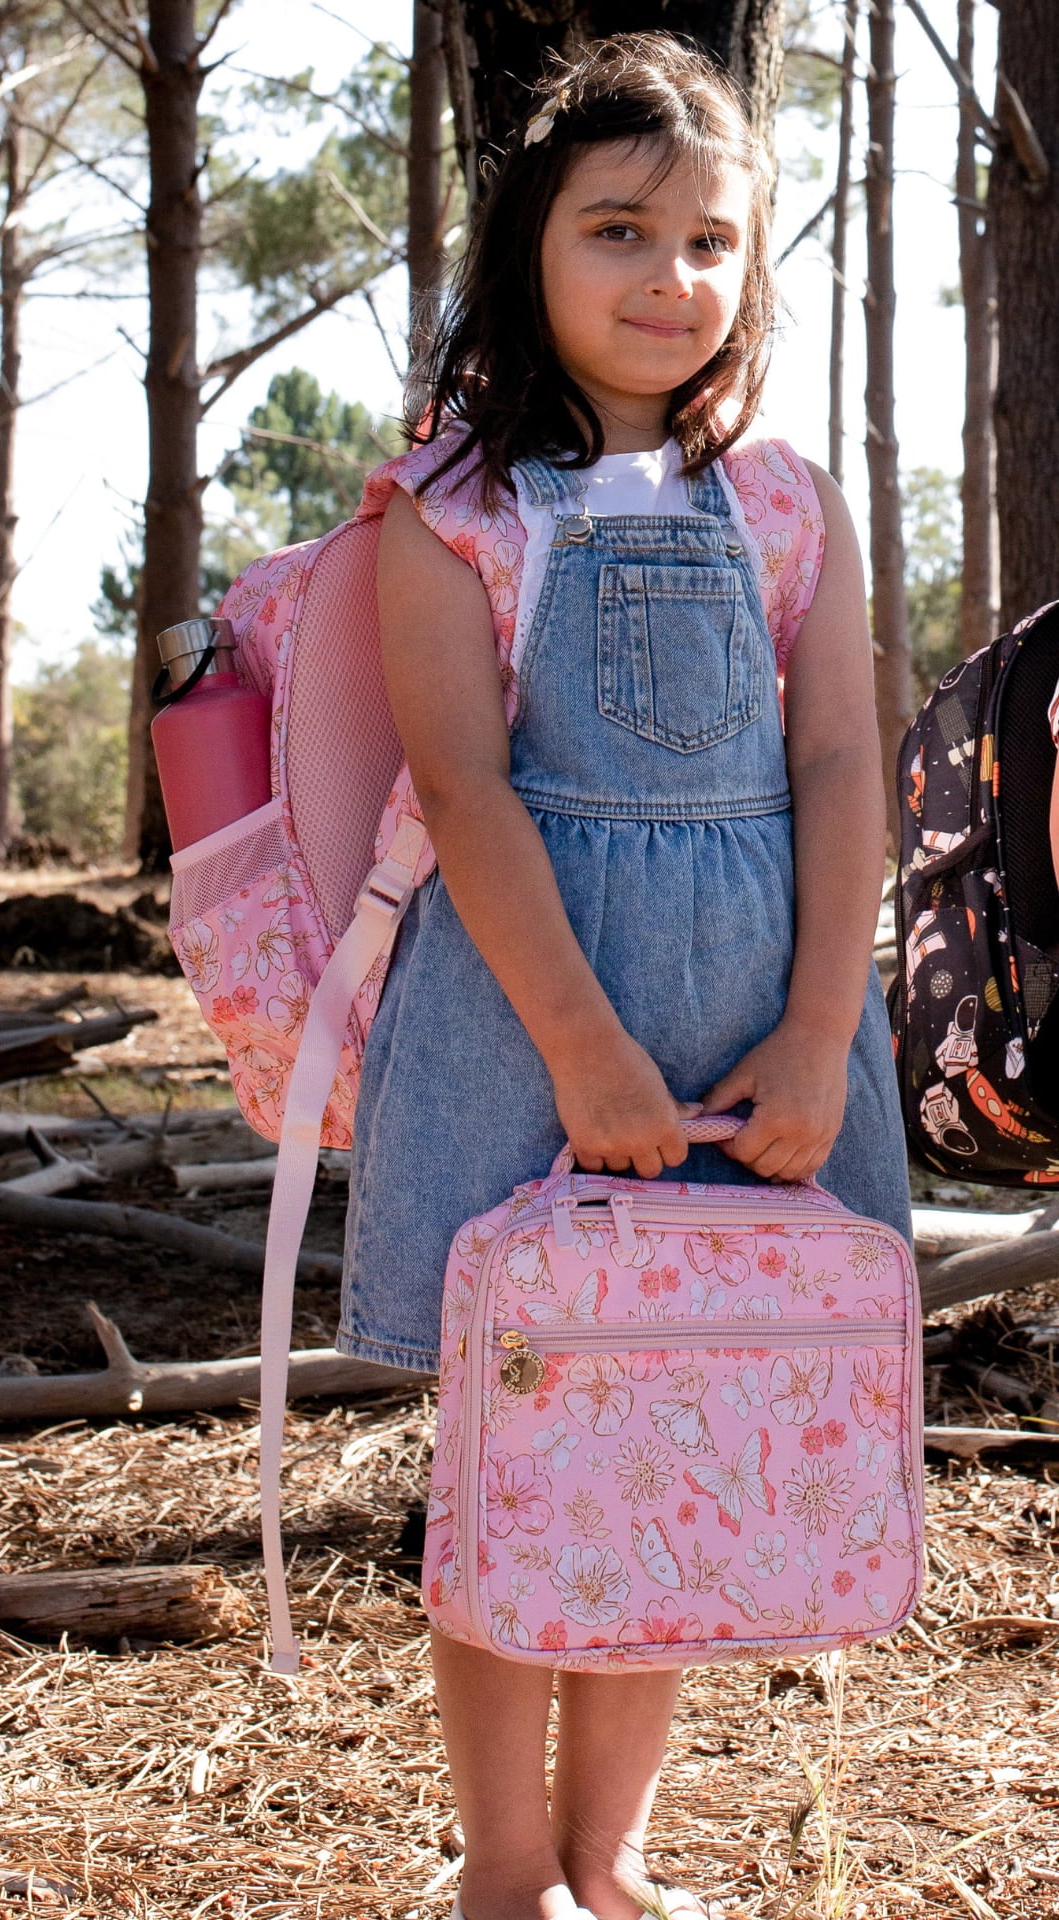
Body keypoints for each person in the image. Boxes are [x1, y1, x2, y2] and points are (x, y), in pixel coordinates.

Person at [337, 34, 912, 1920]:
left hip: (759, 1023)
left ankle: (613, 1851)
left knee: (664, 1425)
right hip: (528, 1023)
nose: (672, 279)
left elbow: (842, 770)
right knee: (527, 1440)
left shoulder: (786, 507)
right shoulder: (452, 512)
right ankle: (507, 1867)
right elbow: (462, 788)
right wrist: (579, 1042)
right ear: (528, 252)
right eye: (619, 232)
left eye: (713, 244)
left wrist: (822, 1028)